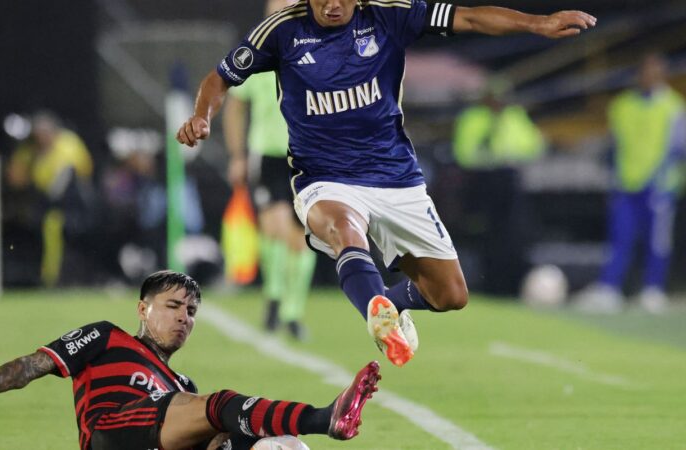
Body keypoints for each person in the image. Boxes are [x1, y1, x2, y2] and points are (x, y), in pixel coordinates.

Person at [177, 0, 596, 366]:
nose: (334, 4)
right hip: (324, 178)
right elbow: (221, 77)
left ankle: (390, 304)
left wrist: (536, 23)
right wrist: (202, 116)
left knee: (450, 294)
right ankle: (374, 310)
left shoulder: (389, 14)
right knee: (345, 229)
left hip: (396, 178)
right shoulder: (283, 29)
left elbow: (467, 18)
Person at [0, 270, 381, 450]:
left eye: (190, 312)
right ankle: (325, 418)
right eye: (172, 306)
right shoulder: (105, 337)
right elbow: (33, 364)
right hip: (110, 433)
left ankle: (310, 429)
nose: (183, 318)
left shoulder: (180, 383)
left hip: (155, 439)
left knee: (278, 444)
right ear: (143, 308)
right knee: (218, 406)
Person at [223, 0, 317, 339]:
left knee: (301, 236)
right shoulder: (256, 51)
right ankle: (275, 298)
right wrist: (237, 155)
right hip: (268, 153)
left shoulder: (318, 50)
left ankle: (292, 312)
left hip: (307, 155)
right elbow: (235, 106)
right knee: (275, 228)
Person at [574, 53, 686, 314]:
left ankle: (652, 289)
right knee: (619, 238)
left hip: (659, 186)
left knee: (656, 241)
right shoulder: (621, 105)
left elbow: (679, 148)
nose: (648, 77)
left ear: (662, 75)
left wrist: (661, 178)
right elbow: (613, 146)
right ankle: (609, 289)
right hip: (625, 184)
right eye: (645, 71)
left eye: (654, 71)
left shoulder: (674, 107)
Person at [452, 78, 545, 295]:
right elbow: (464, 153)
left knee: (512, 236)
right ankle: (484, 284)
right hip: (481, 184)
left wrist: (507, 153)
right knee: (483, 236)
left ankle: (509, 285)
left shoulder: (515, 117)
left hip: (509, 183)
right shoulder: (473, 118)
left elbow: (534, 146)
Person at [6, 110, 94, 287]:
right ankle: (46, 276)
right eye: (38, 135)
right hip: (41, 203)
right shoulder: (29, 150)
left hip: (71, 203)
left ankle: (52, 278)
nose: (42, 138)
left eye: (45, 134)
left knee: (53, 227)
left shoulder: (69, 144)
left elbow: (81, 173)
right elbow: (15, 179)